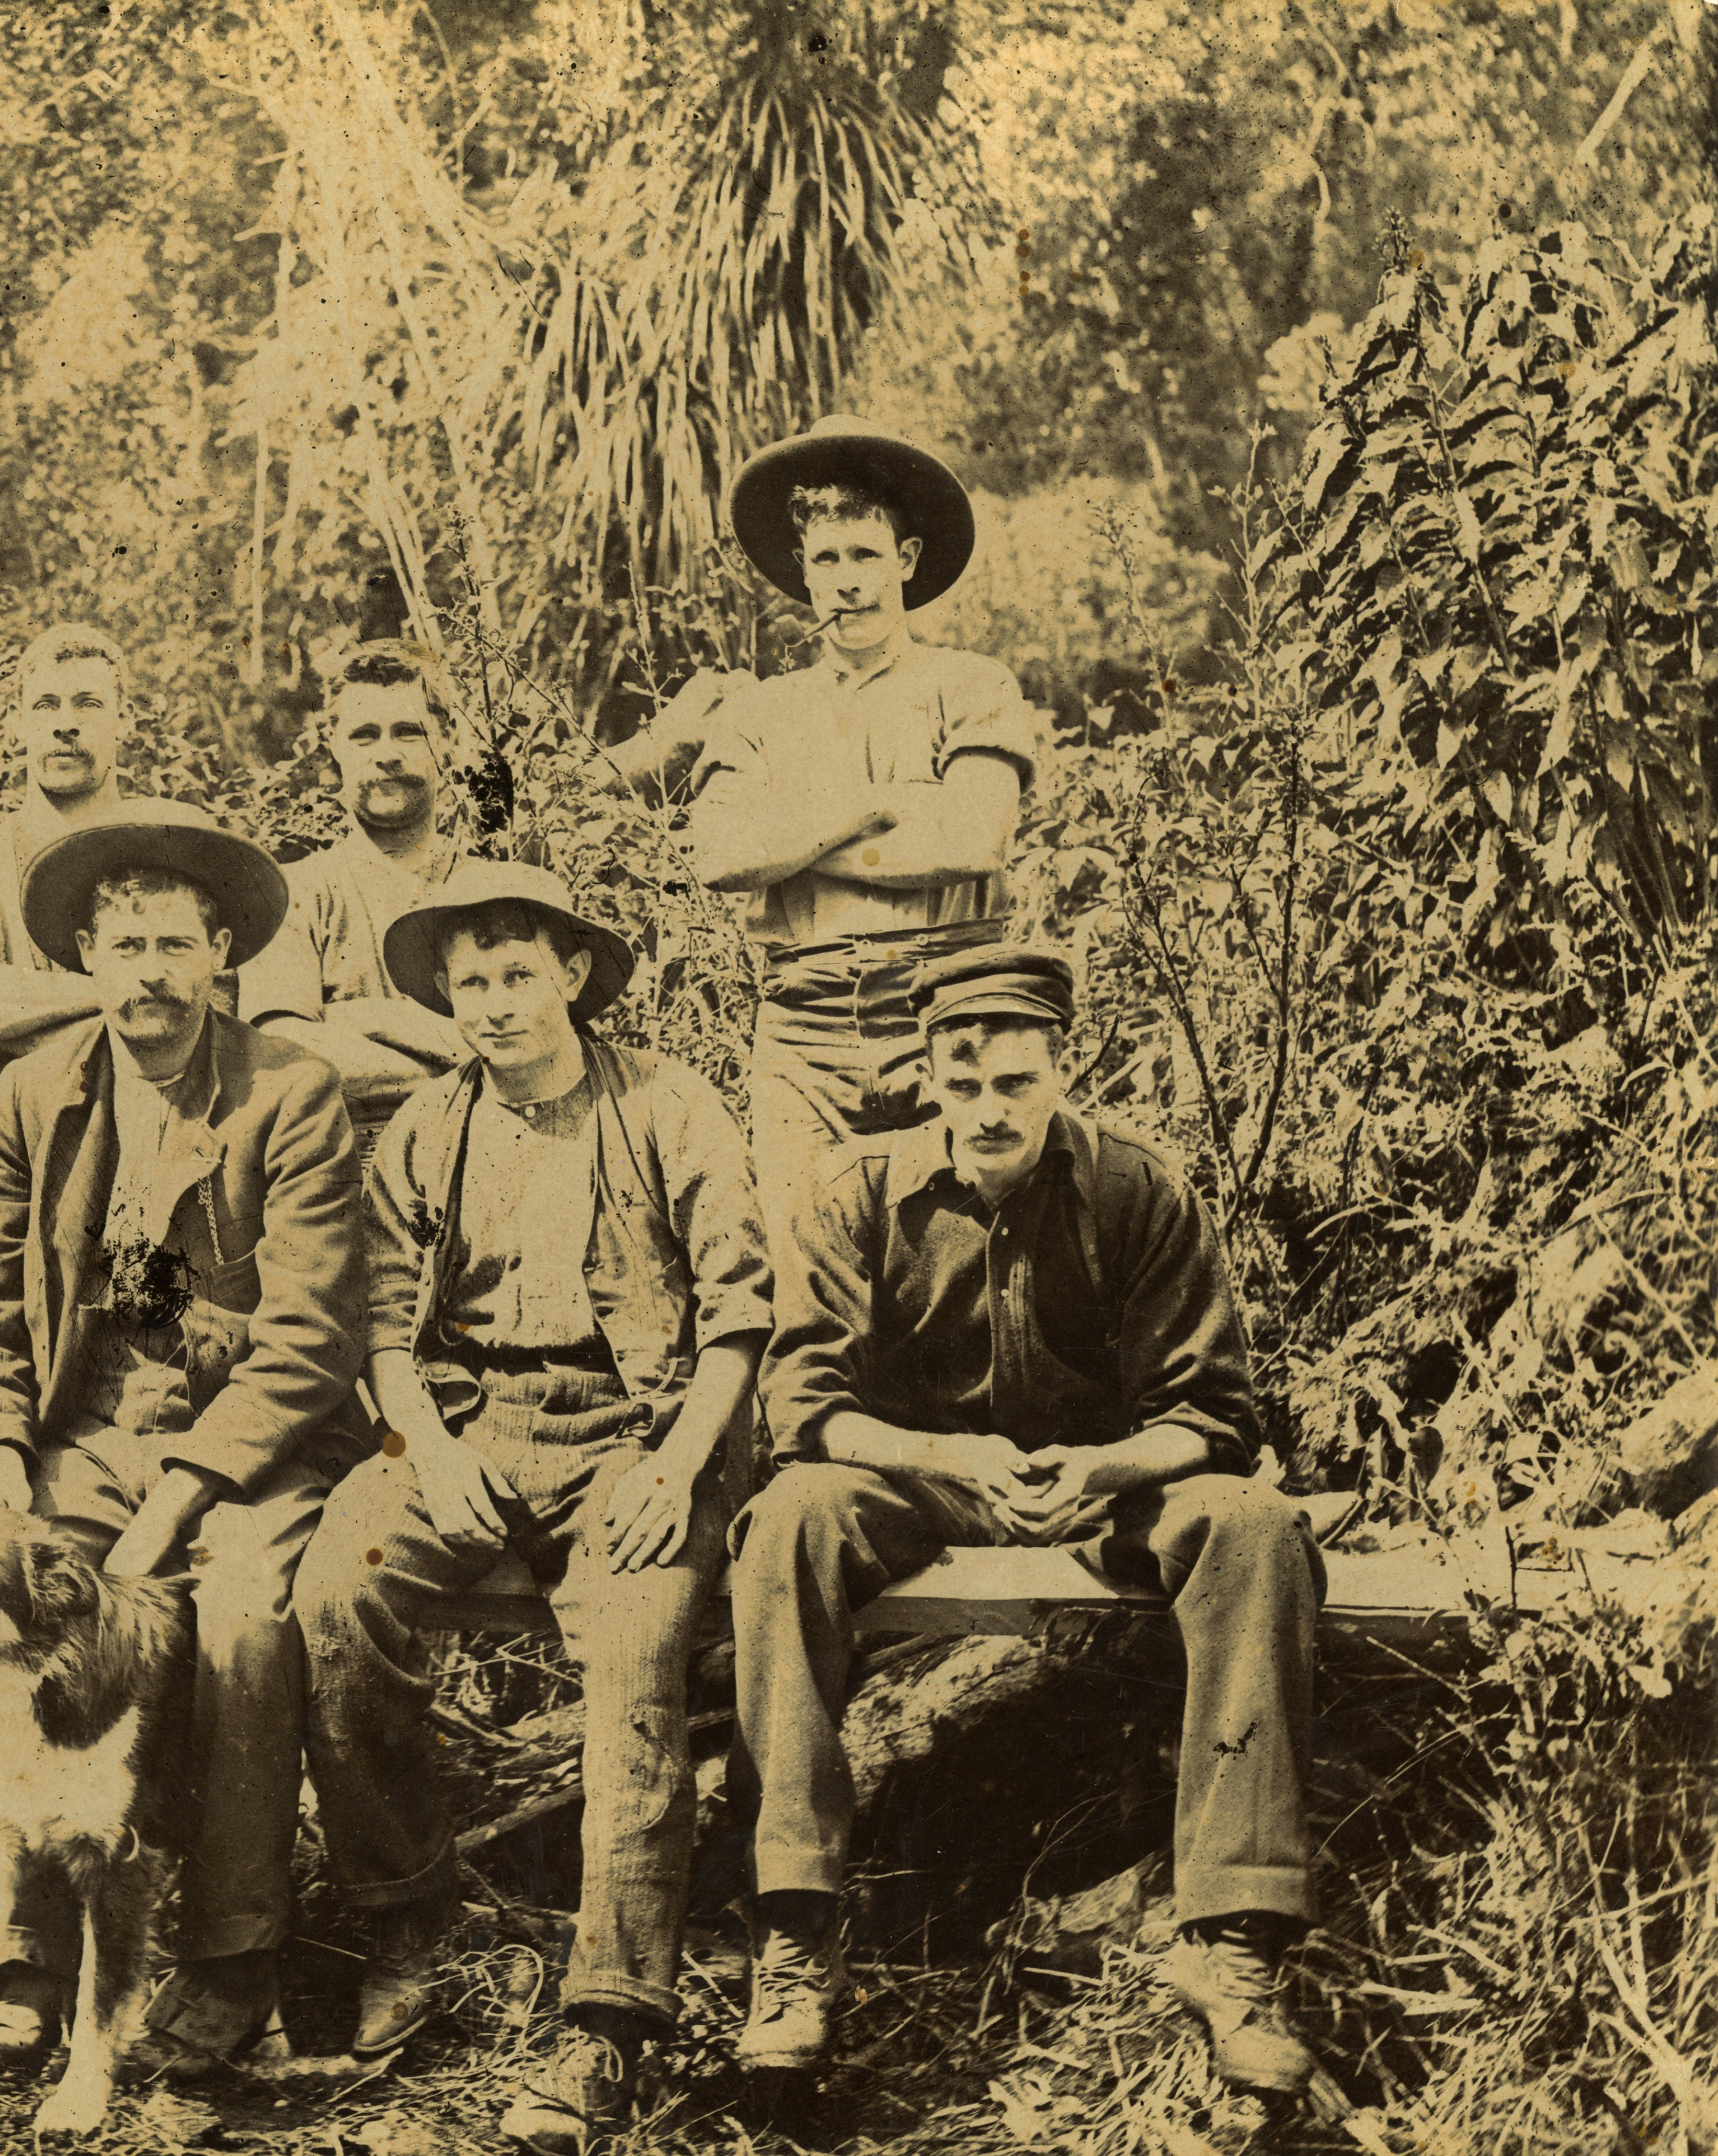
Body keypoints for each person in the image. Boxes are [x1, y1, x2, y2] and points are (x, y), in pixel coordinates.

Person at [730, 944, 1321, 2098]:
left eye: (1015, 1081)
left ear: (1063, 1067)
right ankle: (795, 1940)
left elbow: (1214, 1414)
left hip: (1105, 1490)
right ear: (927, 1076)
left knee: (1255, 1525)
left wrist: (1103, 1467)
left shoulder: (1136, 1188)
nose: (989, 1110)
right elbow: (803, 1408)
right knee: (788, 1516)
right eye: (963, 1083)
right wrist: (949, 1455)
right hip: (923, 1487)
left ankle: (1235, 1945)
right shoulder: (857, 1193)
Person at [300, 859, 772, 2155]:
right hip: (469, 1424)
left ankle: (606, 2024)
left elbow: (739, 1313)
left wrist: (676, 1465)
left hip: (635, 1430)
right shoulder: (425, 1125)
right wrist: (426, 1446)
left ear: (572, 975)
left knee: (635, 1653)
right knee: (334, 1593)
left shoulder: (666, 1105)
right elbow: (380, 1324)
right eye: (470, 984)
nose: (495, 1005)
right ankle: (405, 1913)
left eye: (518, 975)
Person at [0, 804, 366, 2079]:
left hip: (245, 1449)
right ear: (84, 957)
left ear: (221, 953)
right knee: (6, 1605)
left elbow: (308, 1337)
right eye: (125, 947)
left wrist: (176, 1500)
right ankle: (29, 1957)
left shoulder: (289, 1094)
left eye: (176, 945)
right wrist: (0, 1475)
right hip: (76, 1435)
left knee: (240, 1614)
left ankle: (230, 1961)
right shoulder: (33, 1097)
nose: (151, 975)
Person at [596, 419, 1042, 1218]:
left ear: (905, 559)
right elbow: (719, 854)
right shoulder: (760, 711)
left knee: (966, 1246)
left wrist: (789, 839)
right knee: (801, 1249)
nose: (847, 583)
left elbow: (972, 838)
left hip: (948, 1007)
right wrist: (868, 805)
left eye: (865, 555)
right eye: (826, 560)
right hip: (802, 1031)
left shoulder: (971, 684)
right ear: (802, 570)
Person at [0, 622, 189, 1110]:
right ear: (17, 722)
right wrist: (144, 997)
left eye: (88, 704)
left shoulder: (174, 850)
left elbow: (214, 1004)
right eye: (46, 705)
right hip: (8, 1142)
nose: (65, 723)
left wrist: (12, 1000)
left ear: (125, 719)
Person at [235, 632, 470, 1155]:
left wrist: (364, 1018)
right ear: (334, 746)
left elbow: (543, 1052)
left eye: (408, 732)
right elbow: (284, 1060)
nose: (387, 754)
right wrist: (471, 1057)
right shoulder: (289, 894)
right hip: (343, 1174)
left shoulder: (496, 889)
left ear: (447, 740)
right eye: (365, 735)